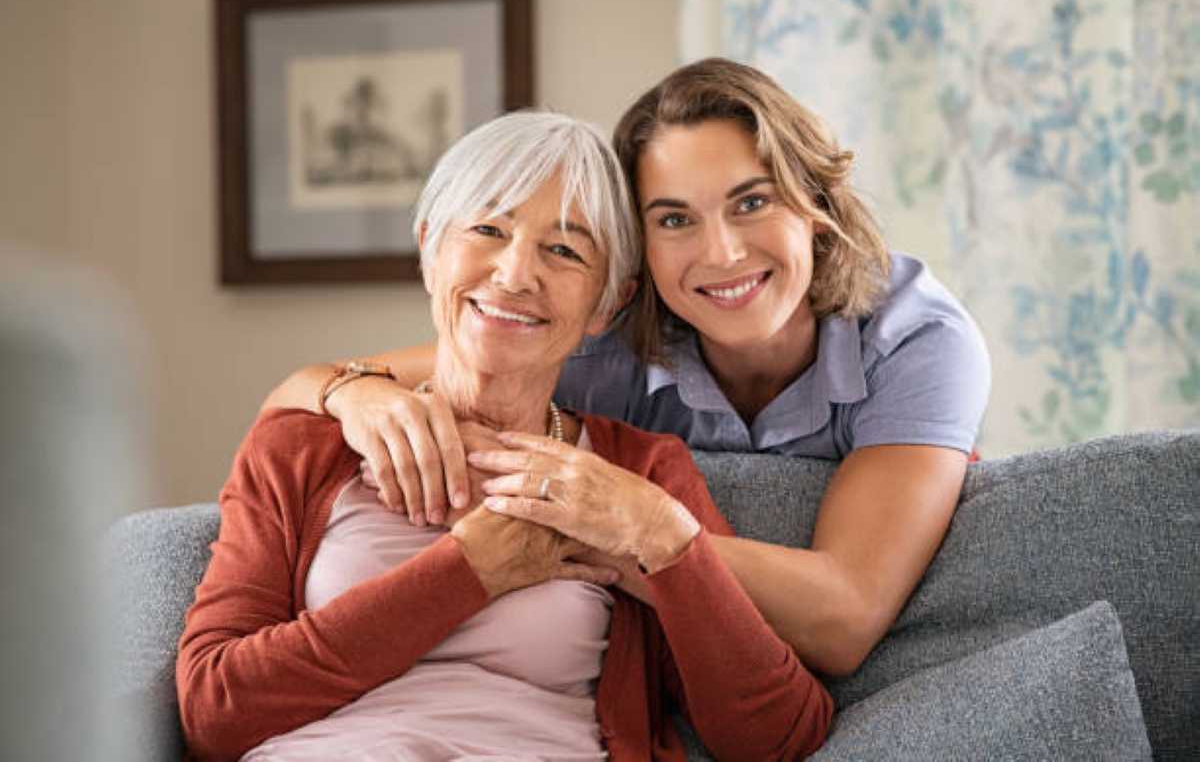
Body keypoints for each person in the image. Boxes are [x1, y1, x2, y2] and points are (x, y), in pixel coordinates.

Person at [262, 58, 991, 677]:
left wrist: (640, 524)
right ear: (635, 255)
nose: (723, 253)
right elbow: (299, 393)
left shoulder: (918, 342)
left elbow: (845, 618)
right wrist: (353, 394)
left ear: (817, 208)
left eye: (752, 202)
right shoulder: (606, 347)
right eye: (674, 220)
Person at [178, 111, 832, 761]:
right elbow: (215, 713)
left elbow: (777, 739)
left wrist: (668, 541)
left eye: (565, 250)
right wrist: (469, 571)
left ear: (607, 304)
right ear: (431, 249)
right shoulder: (305, 445)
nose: (516, 273)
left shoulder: (639, 474)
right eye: (488, 229)